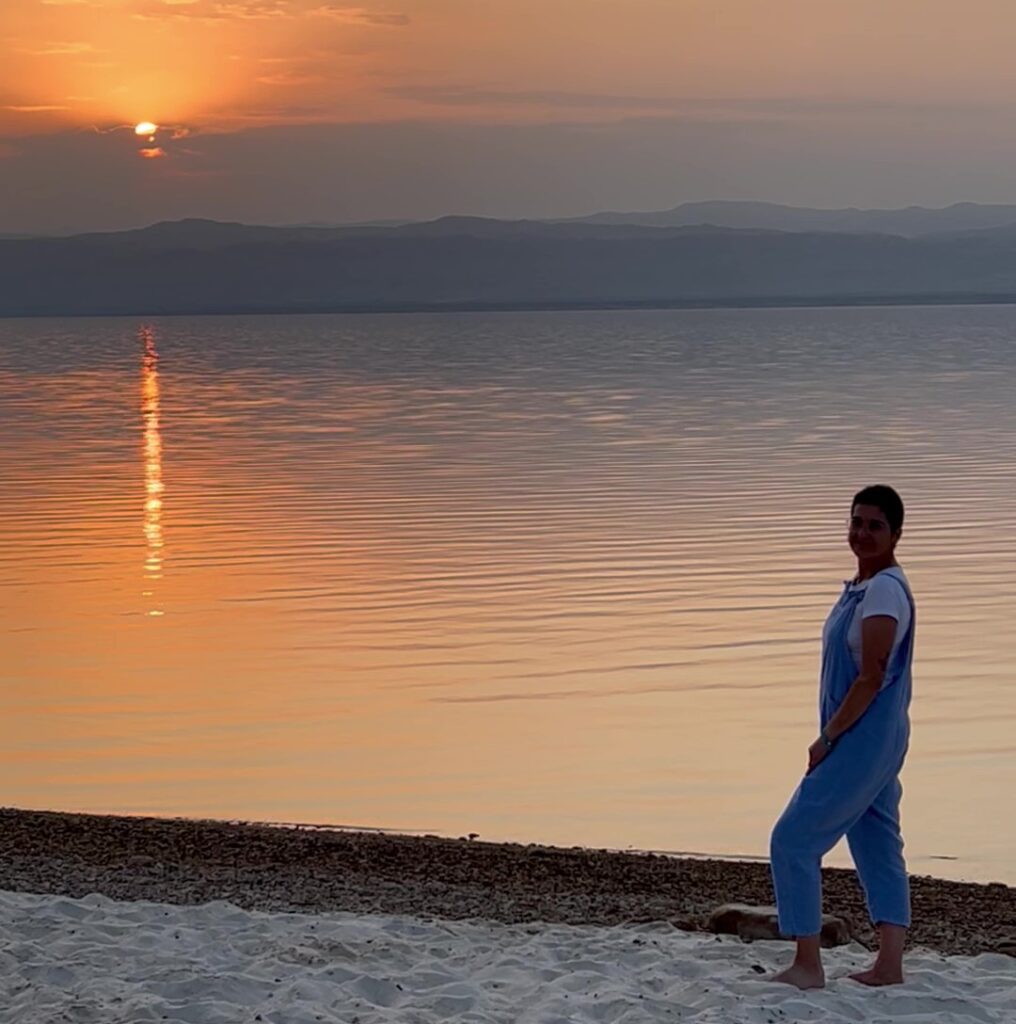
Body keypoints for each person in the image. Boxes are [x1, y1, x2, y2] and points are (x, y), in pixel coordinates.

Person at [769, 484, 915, 989]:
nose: (863, 533)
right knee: (876, 841)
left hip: (862, 738)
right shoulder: (862, 586)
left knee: (792, 839)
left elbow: (871, 675)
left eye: (875, 525)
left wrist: (828, 739)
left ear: (896, 533)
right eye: (857, 522)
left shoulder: (884, 591)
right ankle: (889, 965)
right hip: (878, 736)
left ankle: (808, 964)